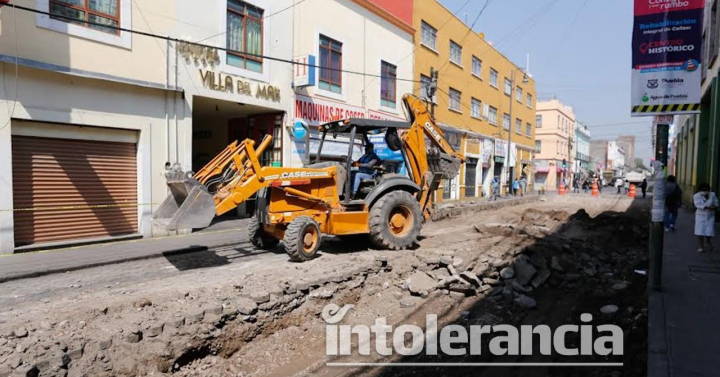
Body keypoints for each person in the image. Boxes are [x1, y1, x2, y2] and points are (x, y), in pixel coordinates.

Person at [693, 183, 718, 253]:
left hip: (710, 216)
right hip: (700, 215)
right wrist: (707, 207)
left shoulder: (712, 195)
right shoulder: (696, 196)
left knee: (709, 231)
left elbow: (716, 203)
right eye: (703, 190)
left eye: (706, 190)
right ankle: (701, 246)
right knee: (700, 231)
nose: (704, 192)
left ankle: (708, 241)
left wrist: (714, 207)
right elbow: (697, 205)